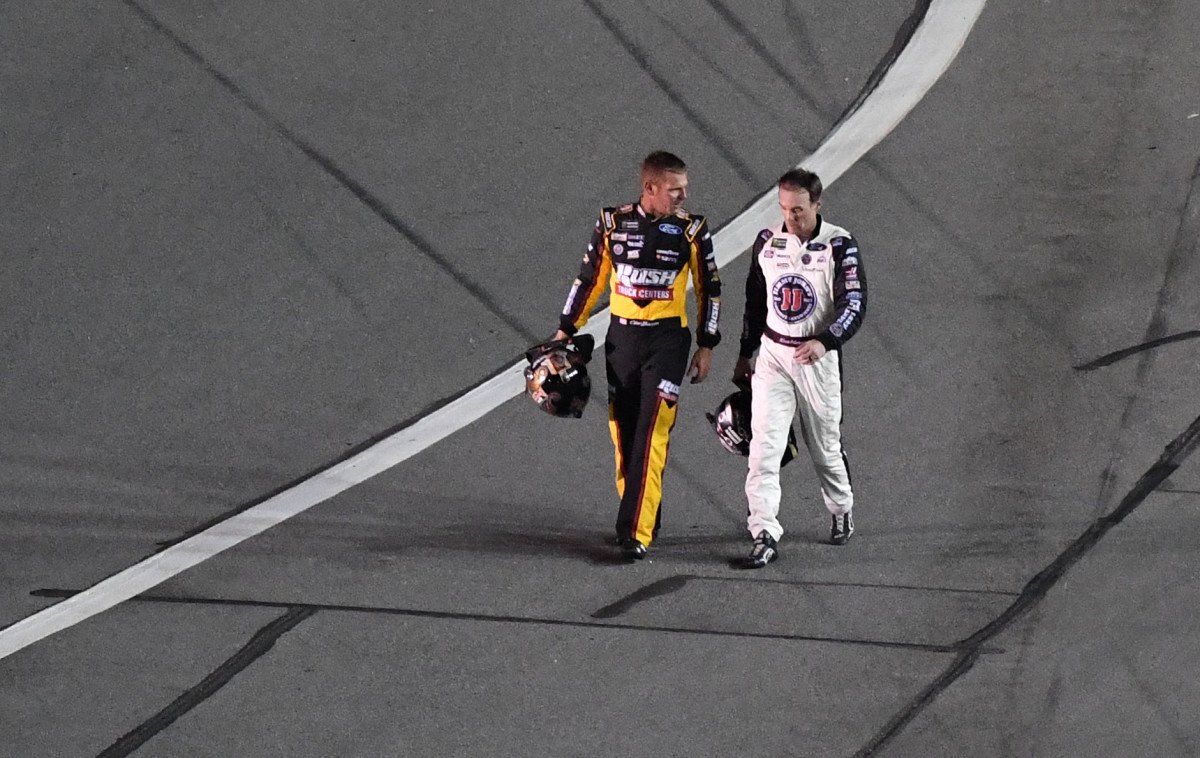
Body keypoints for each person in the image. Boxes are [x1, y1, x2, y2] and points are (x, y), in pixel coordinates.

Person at [554, 151, 722, 560]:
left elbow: (710, 288)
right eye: (674, 189)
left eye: (685, 188)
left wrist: (707, 344)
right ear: (650, 188)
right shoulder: (612, 223)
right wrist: (564, 331)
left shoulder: (692, 230)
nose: (684, 196)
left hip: (668, 342)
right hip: (622, 341)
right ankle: (645, 516)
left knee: (652, 431)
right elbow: (589, 279)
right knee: (624, 433)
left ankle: (635, 532)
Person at [733, 168, 867, 568]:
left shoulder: (840, 245)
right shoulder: (766, 242)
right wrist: (745, 353)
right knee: (764, 448)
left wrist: (825, 341)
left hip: (816, 361)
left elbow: (855, 303)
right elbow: (754, 302)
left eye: (798, 210)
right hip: (774, 355)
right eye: (784, 209)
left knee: (825, 448)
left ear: (817, 205)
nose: (790, 217)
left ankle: (841, 507)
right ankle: (764, 532)